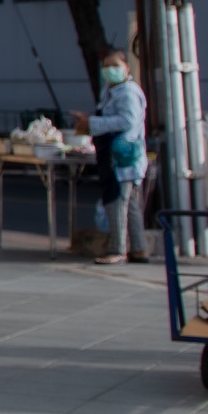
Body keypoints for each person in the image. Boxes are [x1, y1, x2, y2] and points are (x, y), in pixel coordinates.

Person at [76, 49, 152, 263]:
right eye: (106, 67)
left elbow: (127, 121)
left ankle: (117, 249)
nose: (110, 71)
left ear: (126, 67)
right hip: (117, 155)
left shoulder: (128, 92)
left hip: (123, 156)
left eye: (115, 66)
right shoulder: (110, 91)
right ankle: (139, 248)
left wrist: (92, 124)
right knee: (131, 205)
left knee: (117, 200)